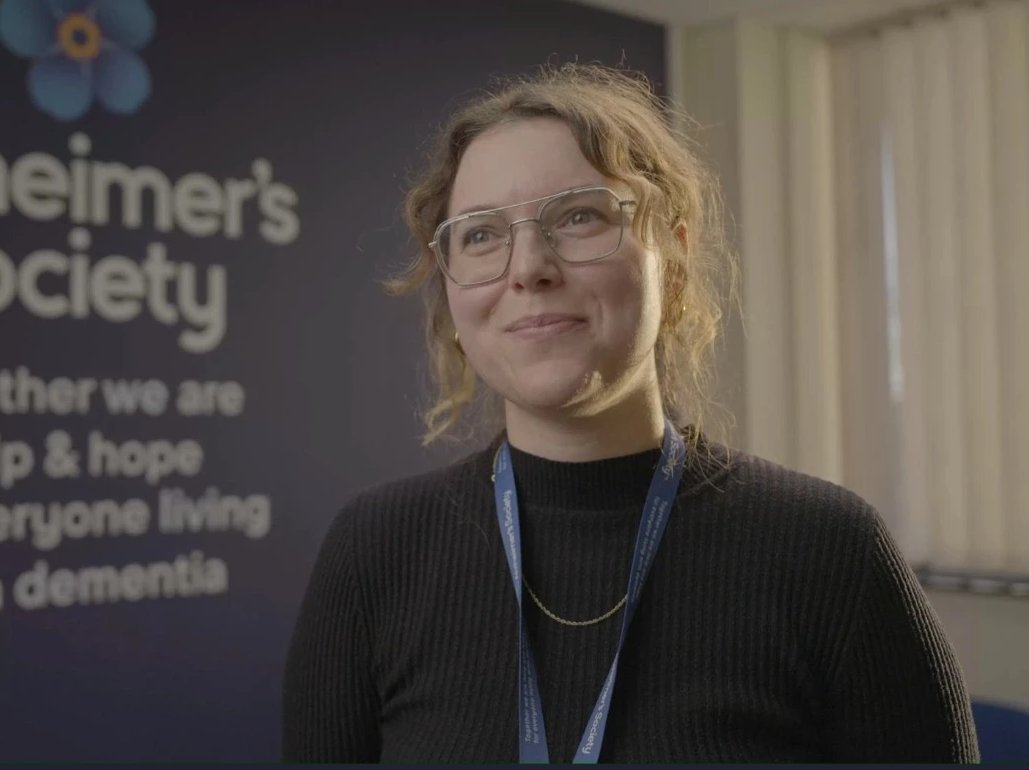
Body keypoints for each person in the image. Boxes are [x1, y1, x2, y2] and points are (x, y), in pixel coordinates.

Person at [281, 64, 978, 763]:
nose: (528, 267)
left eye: (578, 216)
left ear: (672, 258)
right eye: (482, 235)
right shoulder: (374, 554)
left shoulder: (830, 552)